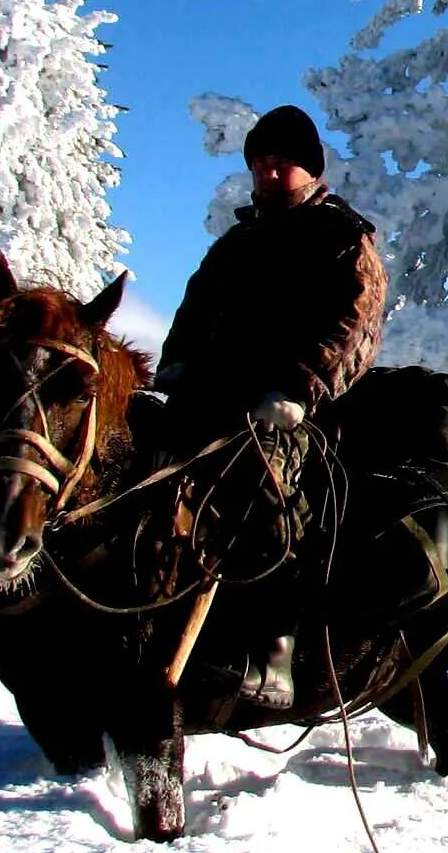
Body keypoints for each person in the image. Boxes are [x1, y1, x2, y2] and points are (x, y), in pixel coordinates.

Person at [154, 104, 387, 707]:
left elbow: (354, 325)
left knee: (265, 488)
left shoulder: (343, 236)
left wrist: (300, 389)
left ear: (309, 170)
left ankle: (274, 647)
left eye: (282, 164)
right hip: (214, 399)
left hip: (295, 409)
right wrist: (174, 365)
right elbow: (192, 313)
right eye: (261, 163)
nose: (269, 174)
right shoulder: (235, 245)